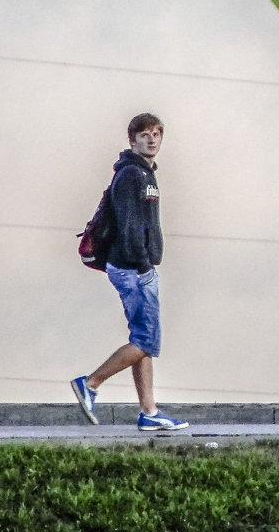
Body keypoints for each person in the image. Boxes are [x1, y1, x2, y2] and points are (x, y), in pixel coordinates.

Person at [70, 112, 188, 431]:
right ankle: (90, 383)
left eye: (156, 134)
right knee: (146, 340)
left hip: (137, 265)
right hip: (132, 268)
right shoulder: (131, 175)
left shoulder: (146, 174)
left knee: (143, 339)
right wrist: (143, 264)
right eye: (144, 134)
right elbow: (129, 225)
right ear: (132, 139)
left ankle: (149, 412)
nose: (151, 139)